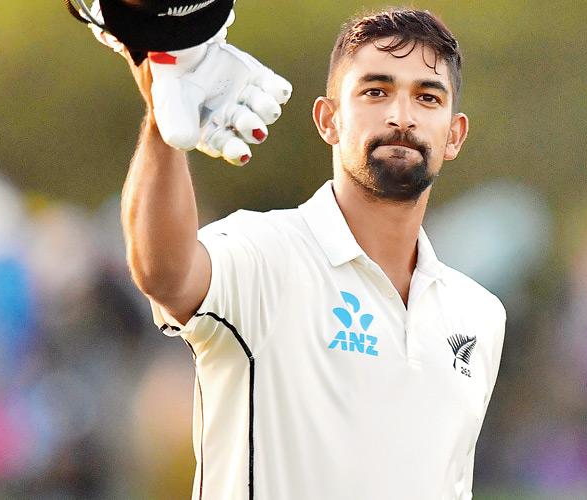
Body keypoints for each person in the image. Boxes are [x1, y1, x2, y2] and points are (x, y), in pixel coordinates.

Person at [121, 7, 505, 500]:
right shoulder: (267, 254)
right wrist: (164, 119)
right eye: (375, 91)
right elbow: (163, 272)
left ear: (454, 135)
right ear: (328, 120)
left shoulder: (480, 315)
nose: (401, 117)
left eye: (427, 98)